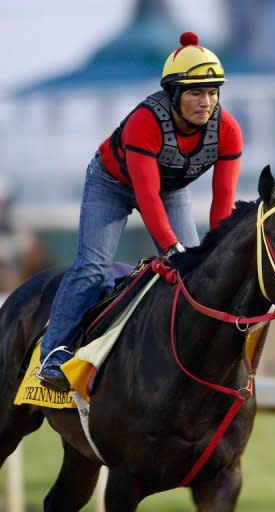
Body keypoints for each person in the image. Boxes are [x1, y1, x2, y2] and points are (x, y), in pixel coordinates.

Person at [38, 31, 243, 391]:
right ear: (173, 94)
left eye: (212, 92)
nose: (206, 102)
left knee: (197, 274)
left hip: (171, 189)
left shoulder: (228, 130)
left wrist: (216, 250)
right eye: (196, 92)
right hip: (112, 184)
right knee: (92, 265)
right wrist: (171, 247)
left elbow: (222, 200)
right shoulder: (145, 122)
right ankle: (54, 354)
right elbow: (146, 197)